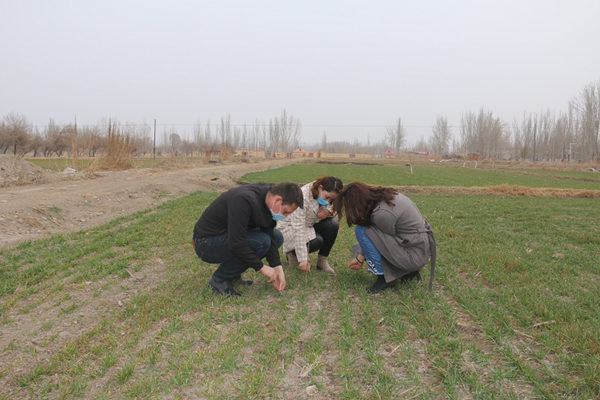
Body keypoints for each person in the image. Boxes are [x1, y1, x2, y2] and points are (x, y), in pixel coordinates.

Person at [193, 182, 303, 296]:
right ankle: (219, 280)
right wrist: (262, 268)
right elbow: (237, 243)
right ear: (277, 200)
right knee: (261, 242)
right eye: (285, 212)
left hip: (228, 236)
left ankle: (233, 274)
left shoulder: (267, 199)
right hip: (206, 243)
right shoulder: (243, 200)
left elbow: (269, 234)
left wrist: (277, 267)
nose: (285, 216)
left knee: (276, 236)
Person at [333, 182, 436, 293]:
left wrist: (361, 256)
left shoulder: (381, 214)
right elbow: (383, 239)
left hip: (413, 255)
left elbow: (381, 244)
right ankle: (408, 271)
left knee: (362, 230)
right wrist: (360, 256)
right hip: (418, 249)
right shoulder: (386, 198)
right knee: (369, 232)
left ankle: (385, 278)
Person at [278, 176, 343, 274]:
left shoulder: (326, 195)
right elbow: (298, 228)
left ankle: (322, 261)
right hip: (290, 228)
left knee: (332, 225)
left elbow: (335, 208)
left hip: (309, 224)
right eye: (327, 197)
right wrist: (303, 260)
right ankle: (292, 254)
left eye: (331, 199)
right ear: (320, 187)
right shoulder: (301, 197)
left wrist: (328, 211)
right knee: (317, 241)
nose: (328, 201)